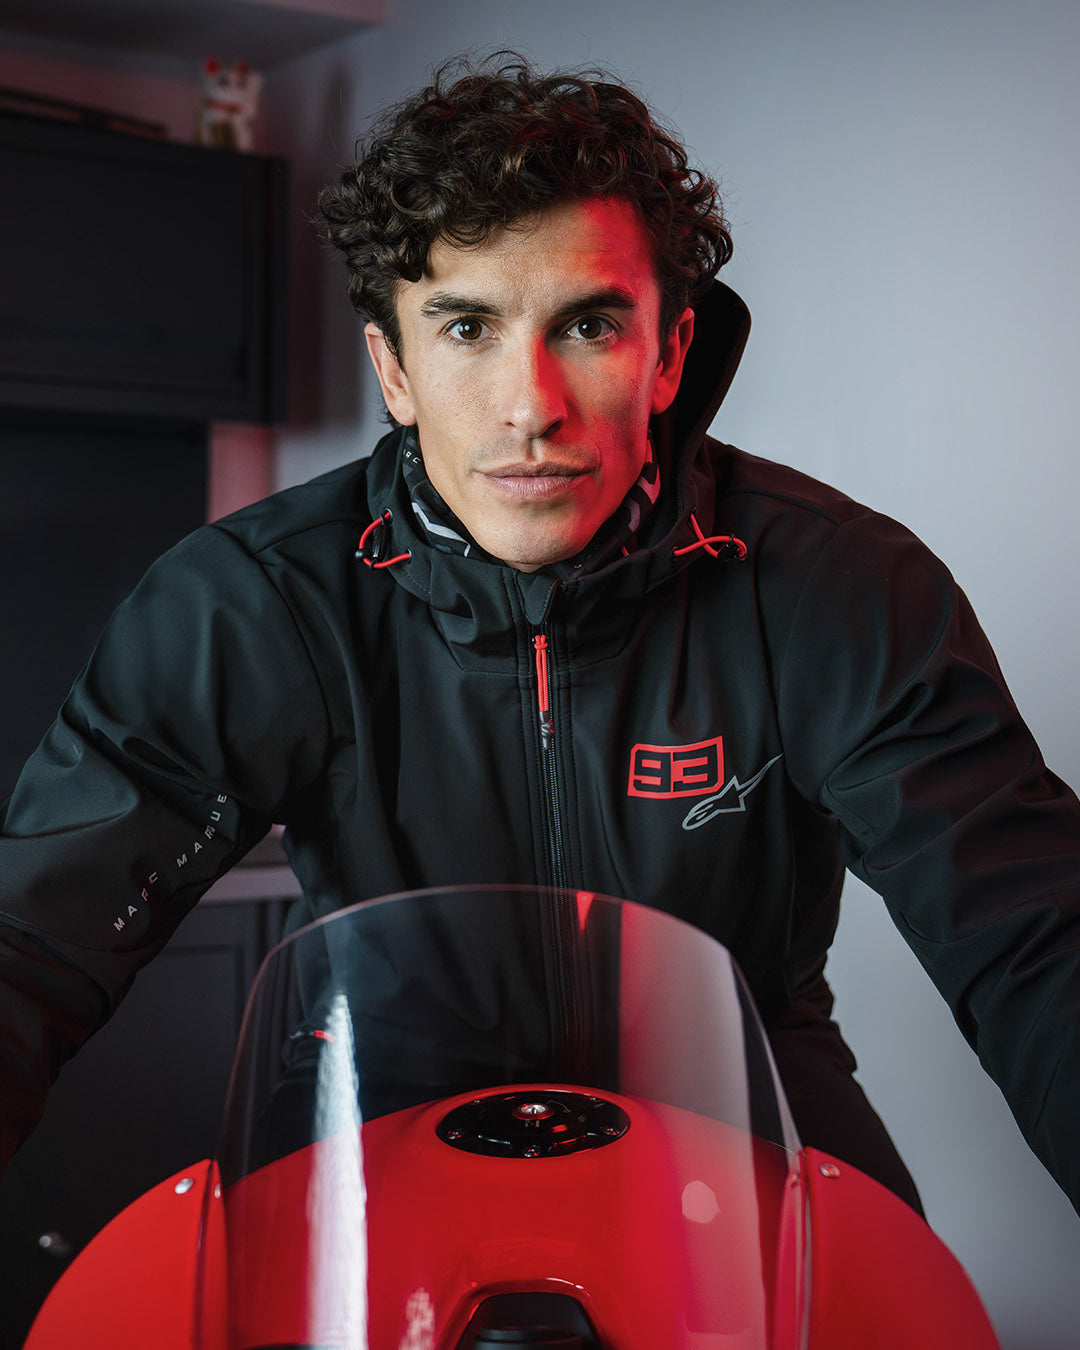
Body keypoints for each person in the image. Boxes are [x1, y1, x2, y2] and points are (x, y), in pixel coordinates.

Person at [1, 55, 1078, 1220]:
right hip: (383, 1112)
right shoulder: (253, 599)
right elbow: (29, 941)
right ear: (394, 369)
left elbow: (1035, 937)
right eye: (466, 326)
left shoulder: (839, 585)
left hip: (741, 1101)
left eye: (589, 325)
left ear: (668, 355)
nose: (530, 407)